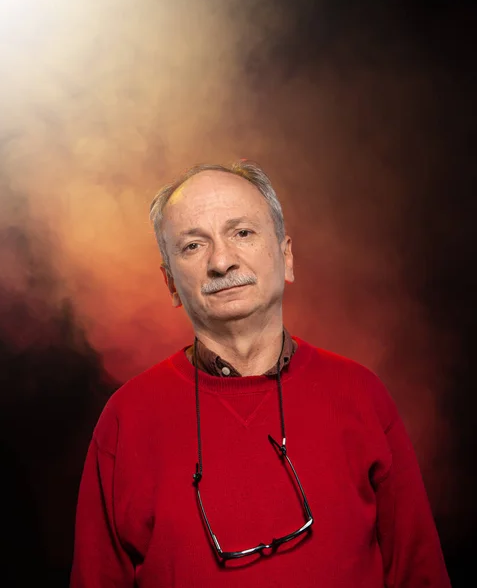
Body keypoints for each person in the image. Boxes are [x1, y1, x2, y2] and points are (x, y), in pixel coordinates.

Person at [70, 160, 451, 587]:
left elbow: (421, 574)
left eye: (242, 233)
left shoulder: (361, 394)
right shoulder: (127, 418)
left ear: (286, 255)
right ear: (172, 284)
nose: (221, 261)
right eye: (193, 245)